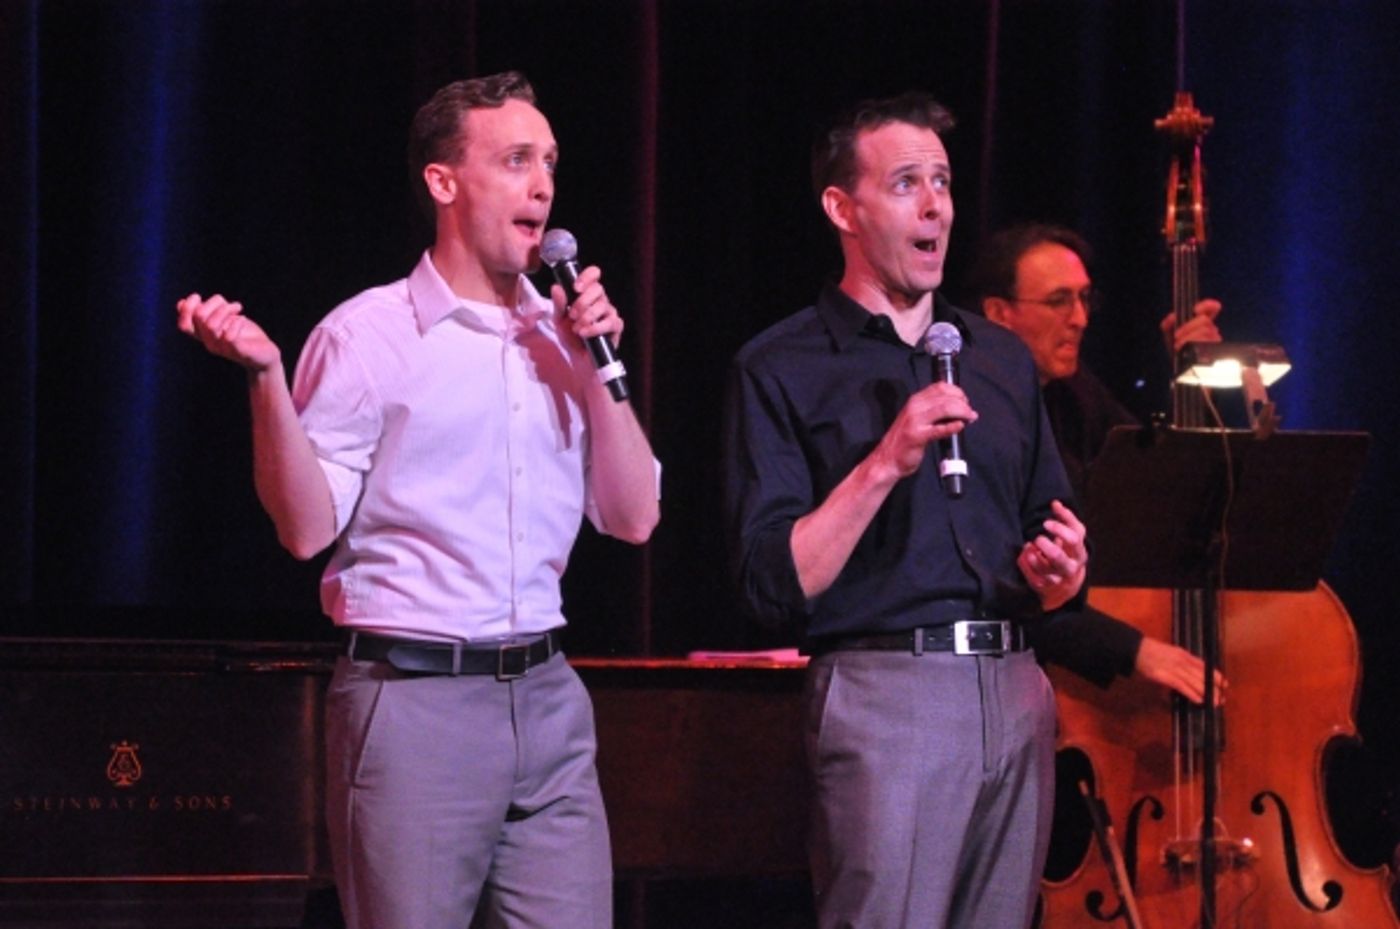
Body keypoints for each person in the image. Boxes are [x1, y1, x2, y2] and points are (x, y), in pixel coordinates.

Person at [175, 71, 659, 929]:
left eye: (548, 162)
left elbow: (634, 517)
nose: (542, 185)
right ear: (443, 182)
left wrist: (598, 370)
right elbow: (305, 529)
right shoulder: (368, 335)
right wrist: (265, 380)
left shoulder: (563, 339)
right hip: (416, 698)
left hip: (548, 700)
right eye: (514, 161)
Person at [723, 92, 1089, 929]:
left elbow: (1049, 529)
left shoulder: (995, 358)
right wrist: (883, 463)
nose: (935, 206)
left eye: (944, 183)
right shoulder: (780, 366)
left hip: (1016, 686)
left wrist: (1061, 570)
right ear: (841, 207)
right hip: (887, 693)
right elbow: (772, 580)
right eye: (906, 184)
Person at [967, 222, 1224, 701]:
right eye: (1059, 301)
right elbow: (1000, 592)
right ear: (999, 314)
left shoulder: (1073, 391)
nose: (1080, 318)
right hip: (997, 688)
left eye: (1085, 299)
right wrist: (1132, 649)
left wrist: (1192, 376)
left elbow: (1162, 480)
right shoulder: (969, 417)